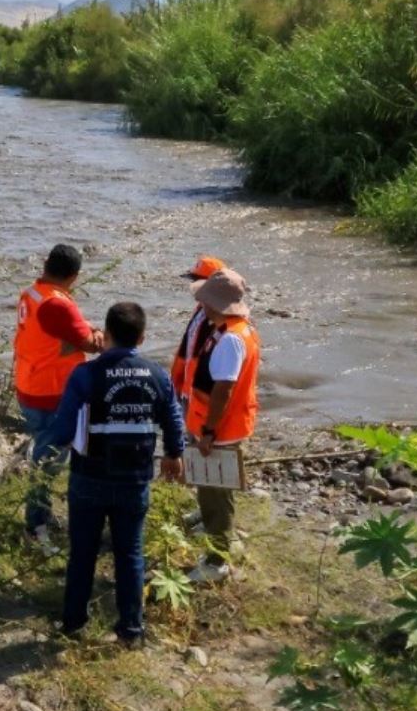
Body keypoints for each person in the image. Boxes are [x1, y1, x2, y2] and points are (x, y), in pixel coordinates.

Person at [53, 301, 186, 644]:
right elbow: (173, 419)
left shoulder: (85, 375)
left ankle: (73, 625)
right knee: (130, 553)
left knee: (82, 552)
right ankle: (131, 630)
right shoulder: (157, 375)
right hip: (135, 479)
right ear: (142, 338)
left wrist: (62, 440)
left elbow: (62, 430)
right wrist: (174, 453)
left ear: (106, 335)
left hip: (89, 478)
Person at [14, 243, 103, 541]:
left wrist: (79, 336)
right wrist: (95, 336)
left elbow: (73, 332)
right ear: (74, 277)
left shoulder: (32, 293)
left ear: (46, 266)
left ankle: (41, 513)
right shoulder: (58, 304)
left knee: (43, 453)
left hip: (29, 385)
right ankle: (35, 526)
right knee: (49, 462)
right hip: (51, 392)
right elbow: (91, 344)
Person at [182, 269, 263, 550]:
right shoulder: (237, 329)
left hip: (220, 429)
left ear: (214, 304)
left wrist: (208, 432)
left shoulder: (229, 340)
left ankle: (219, 555)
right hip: (225, 424)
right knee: (212, 487)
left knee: (216, 490)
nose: (201, 305)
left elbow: (223, 390)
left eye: (204, 300)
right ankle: (212, 525)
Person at [170, 255, 228, 411]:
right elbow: (185, 353)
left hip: (202, 401)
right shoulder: (201, 310)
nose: (193, 286)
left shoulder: (220, 319)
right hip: (187, 395)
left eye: (196, 281)